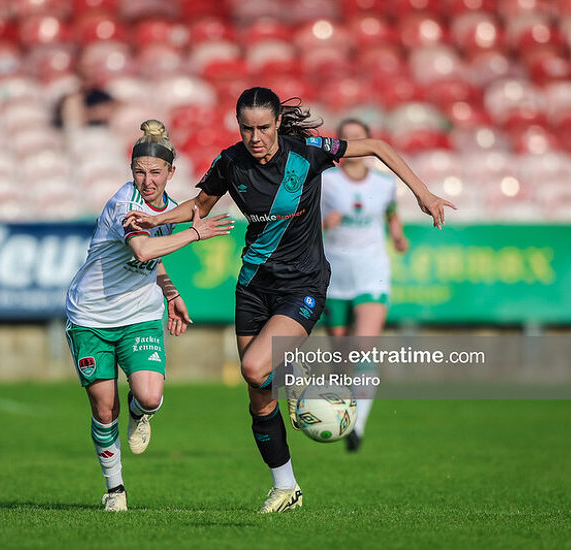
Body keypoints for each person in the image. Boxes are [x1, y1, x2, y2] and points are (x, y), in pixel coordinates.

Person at [125, 88, 454, 513]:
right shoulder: (230, 162)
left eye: (263, 127)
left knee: (253, 365)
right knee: (259, 396)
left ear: (278, 122)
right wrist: (156, 218)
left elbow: (375, 146)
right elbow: (200, 206)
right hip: (253, 286)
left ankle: (296, 377)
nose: (256, 137)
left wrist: (422, 193)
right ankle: (286, 488)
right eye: (247, 128)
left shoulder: (309, 152)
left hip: (303, 286)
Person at [65, 120, 233, 511]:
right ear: (131, 172)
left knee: (150, 396)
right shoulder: (126, 204)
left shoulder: (171, 211)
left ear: (171, 173)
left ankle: (140, 413)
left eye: (156, 172)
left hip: (139, 315)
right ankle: (115, 489)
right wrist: (197, 232)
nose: (147, 179)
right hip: (91, 316)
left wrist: (171, 292)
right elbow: (141, 251)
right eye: (140, 171)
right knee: (104, 407)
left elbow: (151, 262)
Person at [321, 118, 409, 453]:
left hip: (372, 272)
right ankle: (343, 413)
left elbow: (390, 213)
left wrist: (398, 235)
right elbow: (302, 222)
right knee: (342, 357)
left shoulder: (385, 183)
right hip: (334, 275)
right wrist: (323, 223)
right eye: (347, 139)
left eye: (360, 138)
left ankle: (358, 424)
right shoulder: (326, 181)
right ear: (340, 145)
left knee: (364, 347)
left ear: (370, 142)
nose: (354, 145)